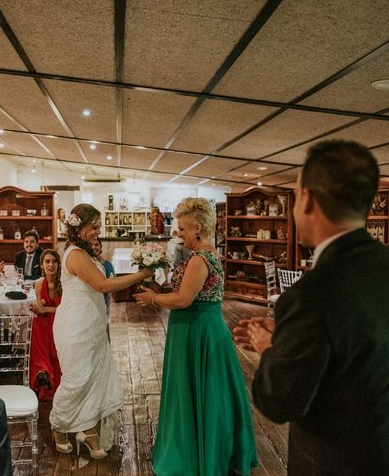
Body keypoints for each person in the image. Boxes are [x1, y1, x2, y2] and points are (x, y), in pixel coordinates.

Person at [233, 140, 389, 475]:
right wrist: (294, 340)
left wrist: (271, 348)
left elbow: (280, 402)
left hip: (337, 462)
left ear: (307, 199)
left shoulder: (310, 295)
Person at [133, 197, 258, 476]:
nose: (179, 233)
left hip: (198, 333)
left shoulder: (201, 260)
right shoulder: (203, 256)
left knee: (203, 394)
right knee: (206, 396)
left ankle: (194, 456)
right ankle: (208, 449)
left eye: (183, 228)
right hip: (197, 330)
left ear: (199, 228)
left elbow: (184, 299)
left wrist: (154, 298)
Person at [49, 204, 151, 459]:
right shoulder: (74, 254)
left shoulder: (86, 253)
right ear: (79, 227)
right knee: (77, 379)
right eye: (94, 226)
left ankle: (89, 430)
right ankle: (59, 426)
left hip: (92, 322)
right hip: (75, 325)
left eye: (98, 226)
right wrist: (139, 275)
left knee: (95, 377)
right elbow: (103, 284)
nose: (98, 231)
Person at [29, 249, 62, 400]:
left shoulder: (63, 284)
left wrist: (46, 308)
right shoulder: (39, 284)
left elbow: (67, 309)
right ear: (41, 265)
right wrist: (37, 308)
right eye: (47, 262)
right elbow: (40, 304)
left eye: (54, 261)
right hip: (45, 320)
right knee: (36, 323)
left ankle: (44, 372)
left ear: (58, 264)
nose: (51, 265)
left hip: (60, 319)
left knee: (45, 328)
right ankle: (43, 372)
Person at [91, 237, 115, 318]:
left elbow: (112, 284)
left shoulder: (107, 265)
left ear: (101, 247)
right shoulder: (85, 264)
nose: (94, 247)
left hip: (103, 302)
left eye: (96, 245)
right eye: (91, 245)